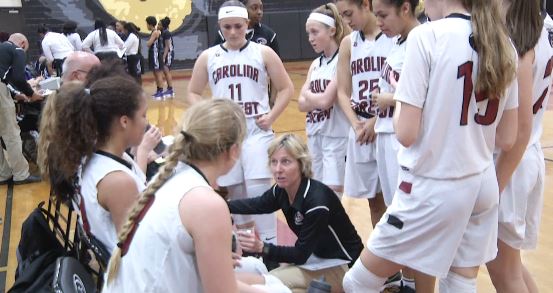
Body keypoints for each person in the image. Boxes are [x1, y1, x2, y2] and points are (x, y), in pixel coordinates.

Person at [341, 0, 519, 292]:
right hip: (481, 184)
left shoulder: (427, 35)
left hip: (434, 184)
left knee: (357, 282)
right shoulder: (502, 41)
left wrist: (399, 102)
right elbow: (507, 138)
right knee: (460, 283)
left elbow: (406, 133)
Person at [103, 99, 274, 293]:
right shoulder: (207, 203)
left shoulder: (171, 176)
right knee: (272, 284)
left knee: (261, 275)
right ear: (234, 151)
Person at [187, 0, 294, 246]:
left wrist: (273, 115)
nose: (233, 32)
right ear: (219, 27)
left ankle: (271, 247)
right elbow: (193, 92)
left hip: (257, 130)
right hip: (226, 135)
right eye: (227, 27)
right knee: (234, 192)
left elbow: (286, 88)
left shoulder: (263, 52)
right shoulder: (208, 57)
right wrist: (208, 115)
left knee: (259, 191)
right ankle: (247, 245)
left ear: (247, 24)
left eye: (238, 26)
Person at [228, 133, 363, 292]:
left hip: (345, 267)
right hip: (317, 260)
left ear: (301, 163)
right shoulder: (282, 190)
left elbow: (300, 254)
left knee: (271, 283)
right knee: (276, 283)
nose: (278, 169)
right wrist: (221, 205)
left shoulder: (317, 202)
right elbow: (257, 205)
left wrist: (262, 247)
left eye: (285, 162)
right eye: (274, 162)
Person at [39, 75, 157, 253]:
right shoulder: (117, 181)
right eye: (143, 115)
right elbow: (139, 253)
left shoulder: (89, 156)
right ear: (124, 121)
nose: (146, 122)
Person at [487, 1, 552, 292]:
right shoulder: (539, 29)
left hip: (513, 162)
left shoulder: (519, 41)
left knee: (504, 270)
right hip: (525, 158)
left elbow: (521, 129)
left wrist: (493, 187)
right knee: (510, 267)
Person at [333, 0, 396, 286]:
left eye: (349, 13)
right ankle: (387, 264)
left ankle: (399, 263)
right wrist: (356, 122)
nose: (347, 21)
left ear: (366, 5)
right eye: (343, 16)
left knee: (394, 200)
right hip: (359, 128)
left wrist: (374, 122)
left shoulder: (393, 37)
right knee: (374, 201)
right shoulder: (348, 43)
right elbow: (343, 91)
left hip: (388, 125)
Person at [297, 3, 349, 195]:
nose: (310, 38)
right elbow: (301, 105)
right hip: (314, 136)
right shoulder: (315, 64)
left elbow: (325, 101)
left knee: (332, 196)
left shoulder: (342, 60)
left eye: (314, 32)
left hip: (336, 138)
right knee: (315, 193)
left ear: (332, 30)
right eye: (308, 33)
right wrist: (313, 99)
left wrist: (310, 96)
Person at [0, 33, 43, 185]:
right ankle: (21, 174)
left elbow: (4, 77)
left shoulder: (2, 49)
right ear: (23, 43)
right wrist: (32, 94)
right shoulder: (17, 50)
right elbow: (18, 78)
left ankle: (3, 174)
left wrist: (14, 95)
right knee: (10, 133)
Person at [213, 0, 280, 56]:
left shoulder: (269, 35)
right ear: (243, 9)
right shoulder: (223, 34)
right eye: (254, 8)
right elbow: (215, 57)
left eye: (261, 8)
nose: (259, 12)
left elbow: (277, 64)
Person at [145, 16, 166, 100]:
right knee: (155, 73)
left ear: (150, 24)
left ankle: (161, 91)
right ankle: (158, 90)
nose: (146, 26)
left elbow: (148, 44)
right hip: (153, 54)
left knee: (158, 73)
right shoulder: (155, 32)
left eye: (147, 24)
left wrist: (149, 41)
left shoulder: (155, 32)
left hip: (155, 54)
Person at [158, 17, 175, 98]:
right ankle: (169, 88)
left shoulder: (166, 33)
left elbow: (167, 46)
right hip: (165, 53)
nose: (157, 25)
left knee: (166, 70)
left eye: (159, 24)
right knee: (165, 70)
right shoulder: (162, 32)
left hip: (168, 53)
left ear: (163, 25)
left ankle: (170, 89)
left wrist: (164, 56)